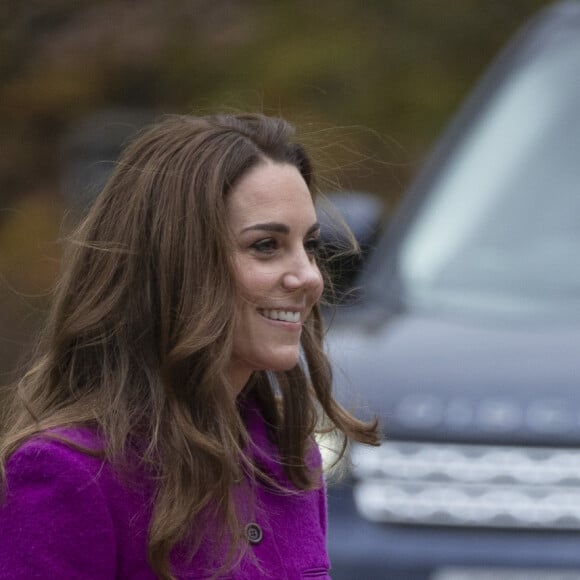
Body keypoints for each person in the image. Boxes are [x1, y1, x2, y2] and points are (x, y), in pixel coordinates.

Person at [0, 113, 378, 579]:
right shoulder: (69, 473)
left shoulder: (290, 457)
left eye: (310, 245)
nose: (309, 277)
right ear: (178, 264)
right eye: (266, 245)